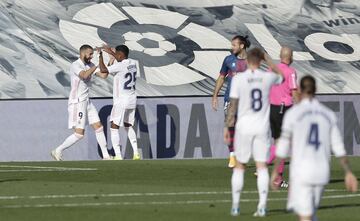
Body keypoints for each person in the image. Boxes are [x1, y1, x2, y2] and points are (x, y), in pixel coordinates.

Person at [271, 75, 358, 221]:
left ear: (299, 90)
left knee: (304, 215)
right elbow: (338, 146)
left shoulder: (293, 114)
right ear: (315, 90)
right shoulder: (328, 114)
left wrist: (275, 171)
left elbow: (283, 145)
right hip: (321, 171)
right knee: (310, 213)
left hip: (301, 171)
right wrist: (348, 172)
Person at [224, 48, 284, 217]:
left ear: (247, 60)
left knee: (240, 167)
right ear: (260, 61)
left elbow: (233, 105)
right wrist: (269, 60)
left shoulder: (239, 79)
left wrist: (228, 127)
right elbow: (282, 76)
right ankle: (262, 206)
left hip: (243, 127)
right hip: (261, 127)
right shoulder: (267, 77)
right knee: (262, 167)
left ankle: (236, 206)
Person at [51, 45, 110, 161]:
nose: (91, 56)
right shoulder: (75, 65)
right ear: (83, 54)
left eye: (92, 54)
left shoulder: (91, 65)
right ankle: (58, 150)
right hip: (77, 102)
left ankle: (106, 156)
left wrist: (101, 59)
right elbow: (84, 75)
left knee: (98, 127)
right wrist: (96, 65)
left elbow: (104, 75)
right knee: (79, 134)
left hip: (87, 101)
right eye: (90, 54)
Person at [97, 45, 140, 160]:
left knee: (114, 127)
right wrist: (112, 54)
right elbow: (115, 68)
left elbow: (104, 70)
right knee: (128, 126)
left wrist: (100, 56)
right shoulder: (133, 63)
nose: (115, 55)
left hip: (121, 100)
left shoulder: (120, 65)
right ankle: (136, 153)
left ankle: (118, 155)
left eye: (117, 54)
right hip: (132, 99)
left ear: (121, 55)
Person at [212, 35, 250, 168]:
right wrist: (215, 95)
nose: (231, 47)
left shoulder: (251, 61)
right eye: (231, 44)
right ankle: (232, 156)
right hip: (230, 100)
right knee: (230, 128)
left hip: (246, 102)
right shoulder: (228, 60)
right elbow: (221, 77)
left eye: (234, 45)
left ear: (242, 46)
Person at [267, 46, 298, 187]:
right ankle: (264, 164)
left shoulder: (271, 70)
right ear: (290, 57)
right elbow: (294, 92)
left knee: (278, 142)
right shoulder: (291, 72)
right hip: (284, 109)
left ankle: (278, 179)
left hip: (272, 109)